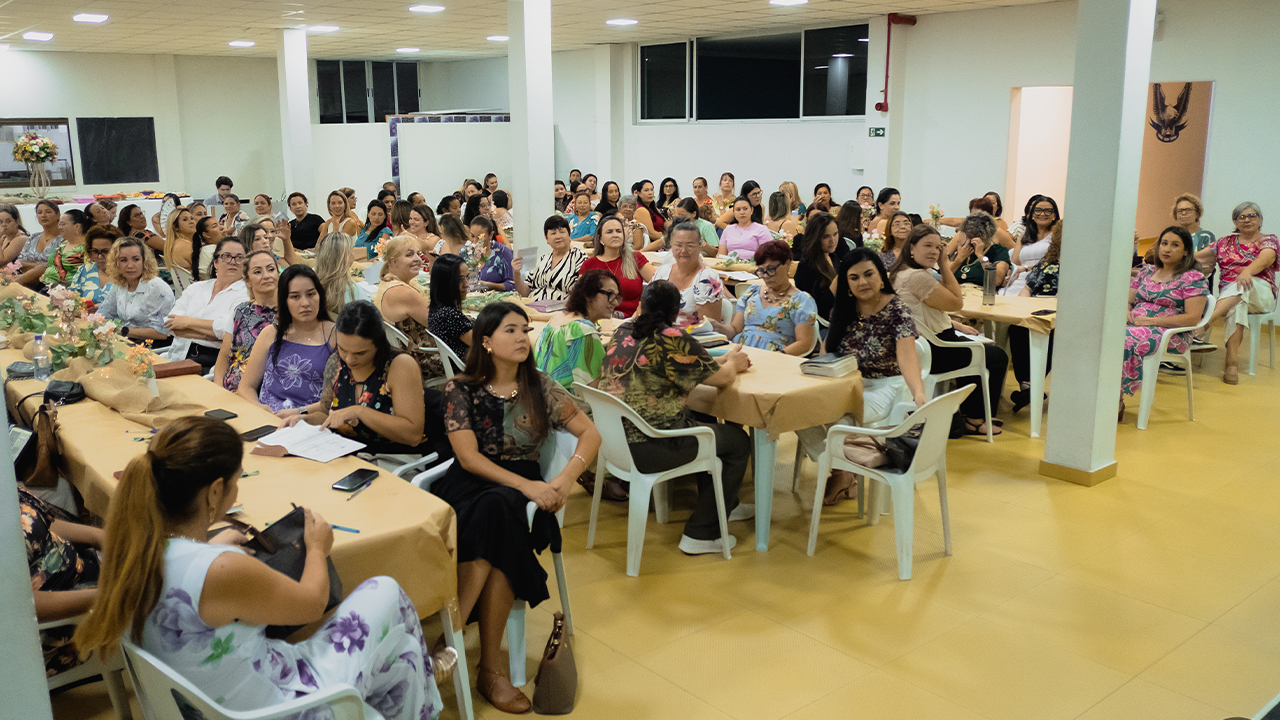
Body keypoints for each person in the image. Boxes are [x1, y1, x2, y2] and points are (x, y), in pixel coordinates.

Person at [74, 416, 445, 720]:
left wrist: (208, 549)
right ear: (215, 491)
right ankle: (431, 682)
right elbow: (312, 603)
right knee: (387, 591)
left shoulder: (135, 551)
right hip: (277, 706)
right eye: (236, 482)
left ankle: (422, 674)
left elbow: (190, 573)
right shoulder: (222, 570)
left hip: (205, 703)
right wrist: (317, 548)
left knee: (405, 658)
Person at [434, 302, 599, 713]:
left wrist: (562, 480)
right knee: (497, 513)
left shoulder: (540, 386)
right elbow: (469, 459)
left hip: (521, 497)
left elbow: (590, 434)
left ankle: (447, 641)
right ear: (486, 342)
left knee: (500, 514)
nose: (523, 337)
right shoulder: (460, 388)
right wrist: (528, 485)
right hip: (471, 484)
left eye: (525, 329)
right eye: (511, 330)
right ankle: (489, 669)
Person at [599, 281, 754, 554]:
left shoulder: (623, 330)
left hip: (615, 443)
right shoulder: (673, 337)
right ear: (676, 312)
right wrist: (733, 363)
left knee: (698, 414)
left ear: (641, 305)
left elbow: (688, 363)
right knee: (738, 442)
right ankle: (702, 533)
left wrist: (723, 360)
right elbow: (723, 379)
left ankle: (723, 504)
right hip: (652, 446)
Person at [816, 249, 926, 504]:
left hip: (885, 386)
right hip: (845, 381)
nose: (862, 282)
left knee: (835, 413)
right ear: (847, 283)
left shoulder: (897, 309)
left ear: (881, 276)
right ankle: (841, 464)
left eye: (868, 274)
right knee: (802, 409)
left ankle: (841, 472)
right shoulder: (844, 308)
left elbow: (907, 357)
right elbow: (827, 351)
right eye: (853, 278)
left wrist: (918, 393)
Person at [891, 225, 1008, 436]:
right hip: (934, 350)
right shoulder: (917, 277)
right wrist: (944, 264)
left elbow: (923, 313)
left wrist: (957, 325)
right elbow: (956, 303)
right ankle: (975, 418)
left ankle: (972, 413)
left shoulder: (903, 273)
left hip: (924, 343)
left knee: (973, 345)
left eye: (938, 248)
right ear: (911, 248)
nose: (934, 252)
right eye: (927, 246)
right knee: (997, 356)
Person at [283, 300, 441, 455]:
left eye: (360, 353)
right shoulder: (337, 362)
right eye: (343, 349)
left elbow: (412, 435)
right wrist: (304, 421)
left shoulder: (400, 366)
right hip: (348, 453)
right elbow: (325, 414)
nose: (349, 359)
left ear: (378, 344)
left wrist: (359, 412)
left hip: (396, 459)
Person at [1119, 226, 1210, 418]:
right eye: (1164, 243)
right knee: (1104, 335)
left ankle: (1116, 399)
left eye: (1175, 245)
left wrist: (1152, 321)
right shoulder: (1147, 271)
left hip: (1172, 333)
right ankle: (1101, 394)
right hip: (1136, 324)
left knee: (1122, 339)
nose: (1167, 249)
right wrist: (1127, 310)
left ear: (1186, 251)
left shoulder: (1193, 277)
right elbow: (1129, 298)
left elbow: (1193, 317)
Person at [18, 485, 102, 678]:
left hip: (80, 569)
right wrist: (108, 597)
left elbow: (37, 521)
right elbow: (19, 605)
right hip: (47, 626)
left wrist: (99, 536)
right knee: (159, 588)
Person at [1194, 202, 1278, 384]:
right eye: (1242, 216)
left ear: (1260, 219)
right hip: (1233, 296)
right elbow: (1197, 256)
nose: (1247, 219)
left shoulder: (1269, 239)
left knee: (1242, 285)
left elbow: (1265, 259)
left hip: (1261, 293)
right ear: (1235, 221)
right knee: (1238, 301)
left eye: (1252, 215)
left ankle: (1204, 324)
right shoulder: (1224, 242)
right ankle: (1231, 363)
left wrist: (1247, 271)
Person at [237, 265, 336, 415]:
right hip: (268, 416)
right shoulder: (271, 333)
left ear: (320, 295)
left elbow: (339, 398)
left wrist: (300, 413)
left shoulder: (336, 335)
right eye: (295, 297)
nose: (305, 303)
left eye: (311, 294)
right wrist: (258, 407)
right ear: (284, 301)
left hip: (311, 420)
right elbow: (246, 387)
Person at [165, 238, 249, 371]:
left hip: (210, 362)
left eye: (240, 257)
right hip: (177, 355)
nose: (233, 261)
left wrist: (187, 323)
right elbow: (170, 323)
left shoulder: (245, 294)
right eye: (227, 256)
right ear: (215, 262)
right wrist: (210, 334)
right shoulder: (197, 288)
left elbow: (227, 330)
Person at [721, 240, 817, 355]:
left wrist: (776, 356)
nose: (766, 276)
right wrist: (719, 328)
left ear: (787, 264)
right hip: (741, 352)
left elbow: (804, 343)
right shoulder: (752, 292)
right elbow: (735, 329)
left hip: (776, 357)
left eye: (771, 269)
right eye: (761, 271)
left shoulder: (800, 301)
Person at [534, 268, 619, 394]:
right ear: (589, 295)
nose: (615, 302)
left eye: (617, 297)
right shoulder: (583, 330)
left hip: (545, 401)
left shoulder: (556, 319)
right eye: (610, 295)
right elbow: (595, 390)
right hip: (569, 407)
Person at [374, 235, 446, 381]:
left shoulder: (389, 281)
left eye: (418, 254)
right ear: (393, 261)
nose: (418, 259)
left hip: (404, 356)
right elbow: (439, 324)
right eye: (409, 254)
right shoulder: (403, 291)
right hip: (423, 360)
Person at [1009, 220, 1063, 412]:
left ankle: (1034, 384)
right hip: (1036, 304)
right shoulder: (1048, 260)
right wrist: (1025, 305)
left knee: (1048, 331)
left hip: (1061, 308)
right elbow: (1027, 287)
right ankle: (1027, 386)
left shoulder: (1083, 266)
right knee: (1016, 326)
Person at [214, 250, 279, 392]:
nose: (266, 276)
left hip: (262, 394)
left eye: (271, 269)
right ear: (247, 281)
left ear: (278, 273)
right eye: (257, 272)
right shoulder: (241, 311)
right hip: (229, 389)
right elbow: (224, 355)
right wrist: (218, 388)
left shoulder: (289, 314)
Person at [100, 237, 175, 344]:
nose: (130, 265)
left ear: (144, 261)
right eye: (123, 260)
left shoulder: (156, 287)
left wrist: (123, 331)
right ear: (116, 263)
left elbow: (162, 333)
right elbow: (106, 312)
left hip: (154, 347)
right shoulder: (119, 284)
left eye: (136, 259)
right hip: (126, 341)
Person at [580, 214, 654, 317]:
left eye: (619, 231)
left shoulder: (636, 258)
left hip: (632, 321)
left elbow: (660, 283)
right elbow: (580, 298)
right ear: (600, 239)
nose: (615, 235)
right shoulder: (589, 264)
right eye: (609, 232)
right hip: (599, 321)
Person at [653, 222, 725, 328]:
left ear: (700, 246)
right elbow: (645, 308)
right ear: (671, 245)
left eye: (690, 246)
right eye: (678, 245)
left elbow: (708, 327)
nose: (683, 250)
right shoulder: (662, 272)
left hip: (691, 339)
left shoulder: (708, 278)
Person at [1002, 196, 1058, 295]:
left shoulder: (1058, 235)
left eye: (1048, 211)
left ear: (1054, 215)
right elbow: (1015, 263)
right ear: (1031, 214)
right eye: (1038, 210)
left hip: (1045, 280)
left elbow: (1056, 263)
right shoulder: (1024, 235)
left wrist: (1026, 268)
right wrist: (1009, 278)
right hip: (1021, 280)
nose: (1042, 214)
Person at [523, 215, 586, 301]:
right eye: (553, 233)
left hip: (562, 308)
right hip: (533, 304)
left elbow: (582, 291)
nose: (558, 236)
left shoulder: (579, 257)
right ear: (546, 238)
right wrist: (516, 273)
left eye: (562, 232)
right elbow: (526, 291)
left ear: (569, 234)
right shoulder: (543, 259)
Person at [794, 212, 843, 321]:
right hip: (820, 325)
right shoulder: (807, 265)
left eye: (835, 234)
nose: (833, 240)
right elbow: (812, 308)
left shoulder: (833, 257)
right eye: (826, 236)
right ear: (815, 237)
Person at [428, 253, 475, 360]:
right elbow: (482, 344)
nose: (466, 284)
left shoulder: (438, 308)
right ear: (445, 283)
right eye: (459, 280)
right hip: (461, 369)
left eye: (467, 277)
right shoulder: (448, 315)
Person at [948, 212, 1010, 287]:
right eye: (968, 235)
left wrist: (981, 256)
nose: (970, 240)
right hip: (957, 291)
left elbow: (996, 281)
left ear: (987, 236)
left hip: (982, 293)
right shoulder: (964, 251)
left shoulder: (998, 251)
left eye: (975, 236)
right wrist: (959, 259)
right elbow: (945, 278)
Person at [315, 231, 369, 316]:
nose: (353, 254)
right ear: (344, 257)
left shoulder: (310, 277)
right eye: (351, 250)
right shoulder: (352, 290)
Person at [67, 225, 119, 304]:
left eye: (105, 251)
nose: (100, 256)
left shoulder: (126, 273)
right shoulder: (84, 269)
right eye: (95, 251)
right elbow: (71, 296)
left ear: (117, 251)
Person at [17, 199, 63, 287]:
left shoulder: (64, 238)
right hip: (28, 281)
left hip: (53, 282)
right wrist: (38, 266)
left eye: (48, 212)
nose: (44, 215)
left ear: (58, 215)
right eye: (40, 212)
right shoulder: (33, 237)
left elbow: (55, 267)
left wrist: (39, 268)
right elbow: (20, 263)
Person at [41, 209, 92, 288]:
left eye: (63, 224)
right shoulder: (62, 244)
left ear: (77, 226)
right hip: (49, 288)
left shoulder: (88, 248)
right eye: (59, 224)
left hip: (74, 292)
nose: (59, 228)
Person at [469, 216, 518, 292]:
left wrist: (490, 285)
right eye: (472, 236)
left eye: (480, 238)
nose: (475, 242)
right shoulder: (466, 252)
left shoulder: (503, 252)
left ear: (491, 235)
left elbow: (513, 284)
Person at [192, 216, 228, 280]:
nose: (222, 228)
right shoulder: (213, 251)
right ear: (206, 235)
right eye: (215, 226)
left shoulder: (204, 250)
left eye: (220, 224)